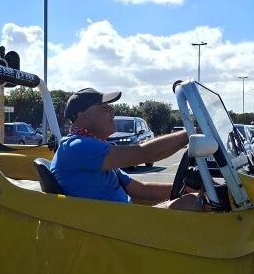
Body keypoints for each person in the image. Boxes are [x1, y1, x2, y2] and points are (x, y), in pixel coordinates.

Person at [50, 87, 209, 211]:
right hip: (109, 231)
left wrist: (185, 189)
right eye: (103, 107)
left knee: (195, 199)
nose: (112, 111)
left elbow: (143, 190)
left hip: (121, 223)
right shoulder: (77, 147)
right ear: (83, 116)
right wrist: (192, 133)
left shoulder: (93, 147)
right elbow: (144, 153)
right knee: (197, 203)